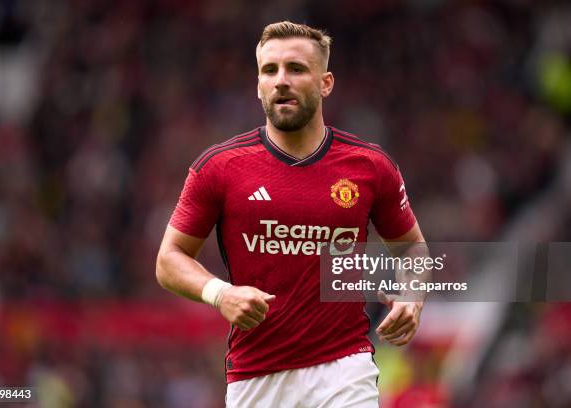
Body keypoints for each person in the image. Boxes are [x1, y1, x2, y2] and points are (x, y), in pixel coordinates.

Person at [156, 21, 426, 408]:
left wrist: (412, 295)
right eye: (270, 70)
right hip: (255, 377)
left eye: (296, 69)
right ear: (258, 86)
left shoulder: (371, 166)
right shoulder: (219, 167)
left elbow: (412, 247)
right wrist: (221, 294)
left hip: (344, 370)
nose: (281, 80)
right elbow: (168, 259)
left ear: (326, 82)